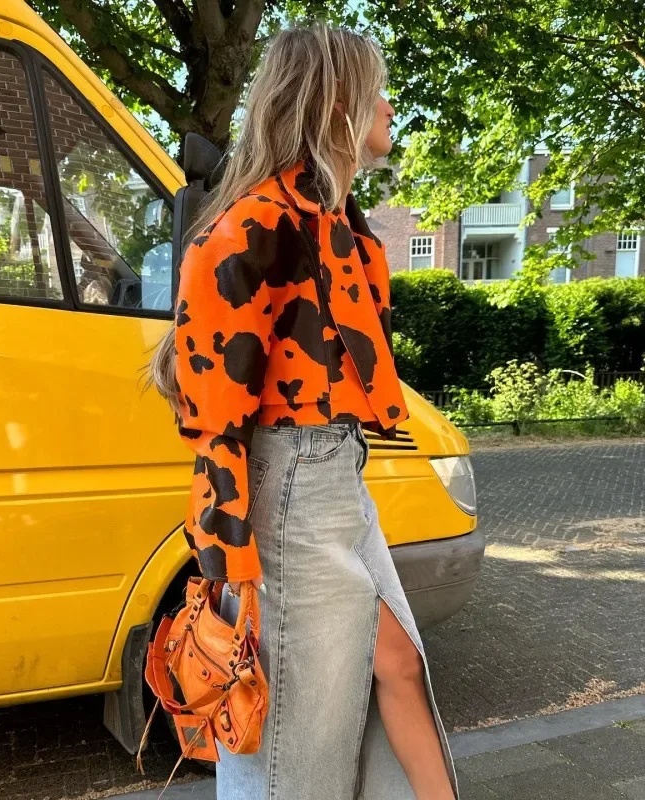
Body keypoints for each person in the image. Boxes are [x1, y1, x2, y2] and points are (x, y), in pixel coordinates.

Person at [145, 21, 459, 800]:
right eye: (377, 89)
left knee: (398, 663)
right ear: (338, 101)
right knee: (300, 754)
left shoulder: (334, 224)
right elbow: (212, 404)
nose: (391, 106)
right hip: (283, 491)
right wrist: (231, 556)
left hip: (334, 478)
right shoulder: (259, 224)